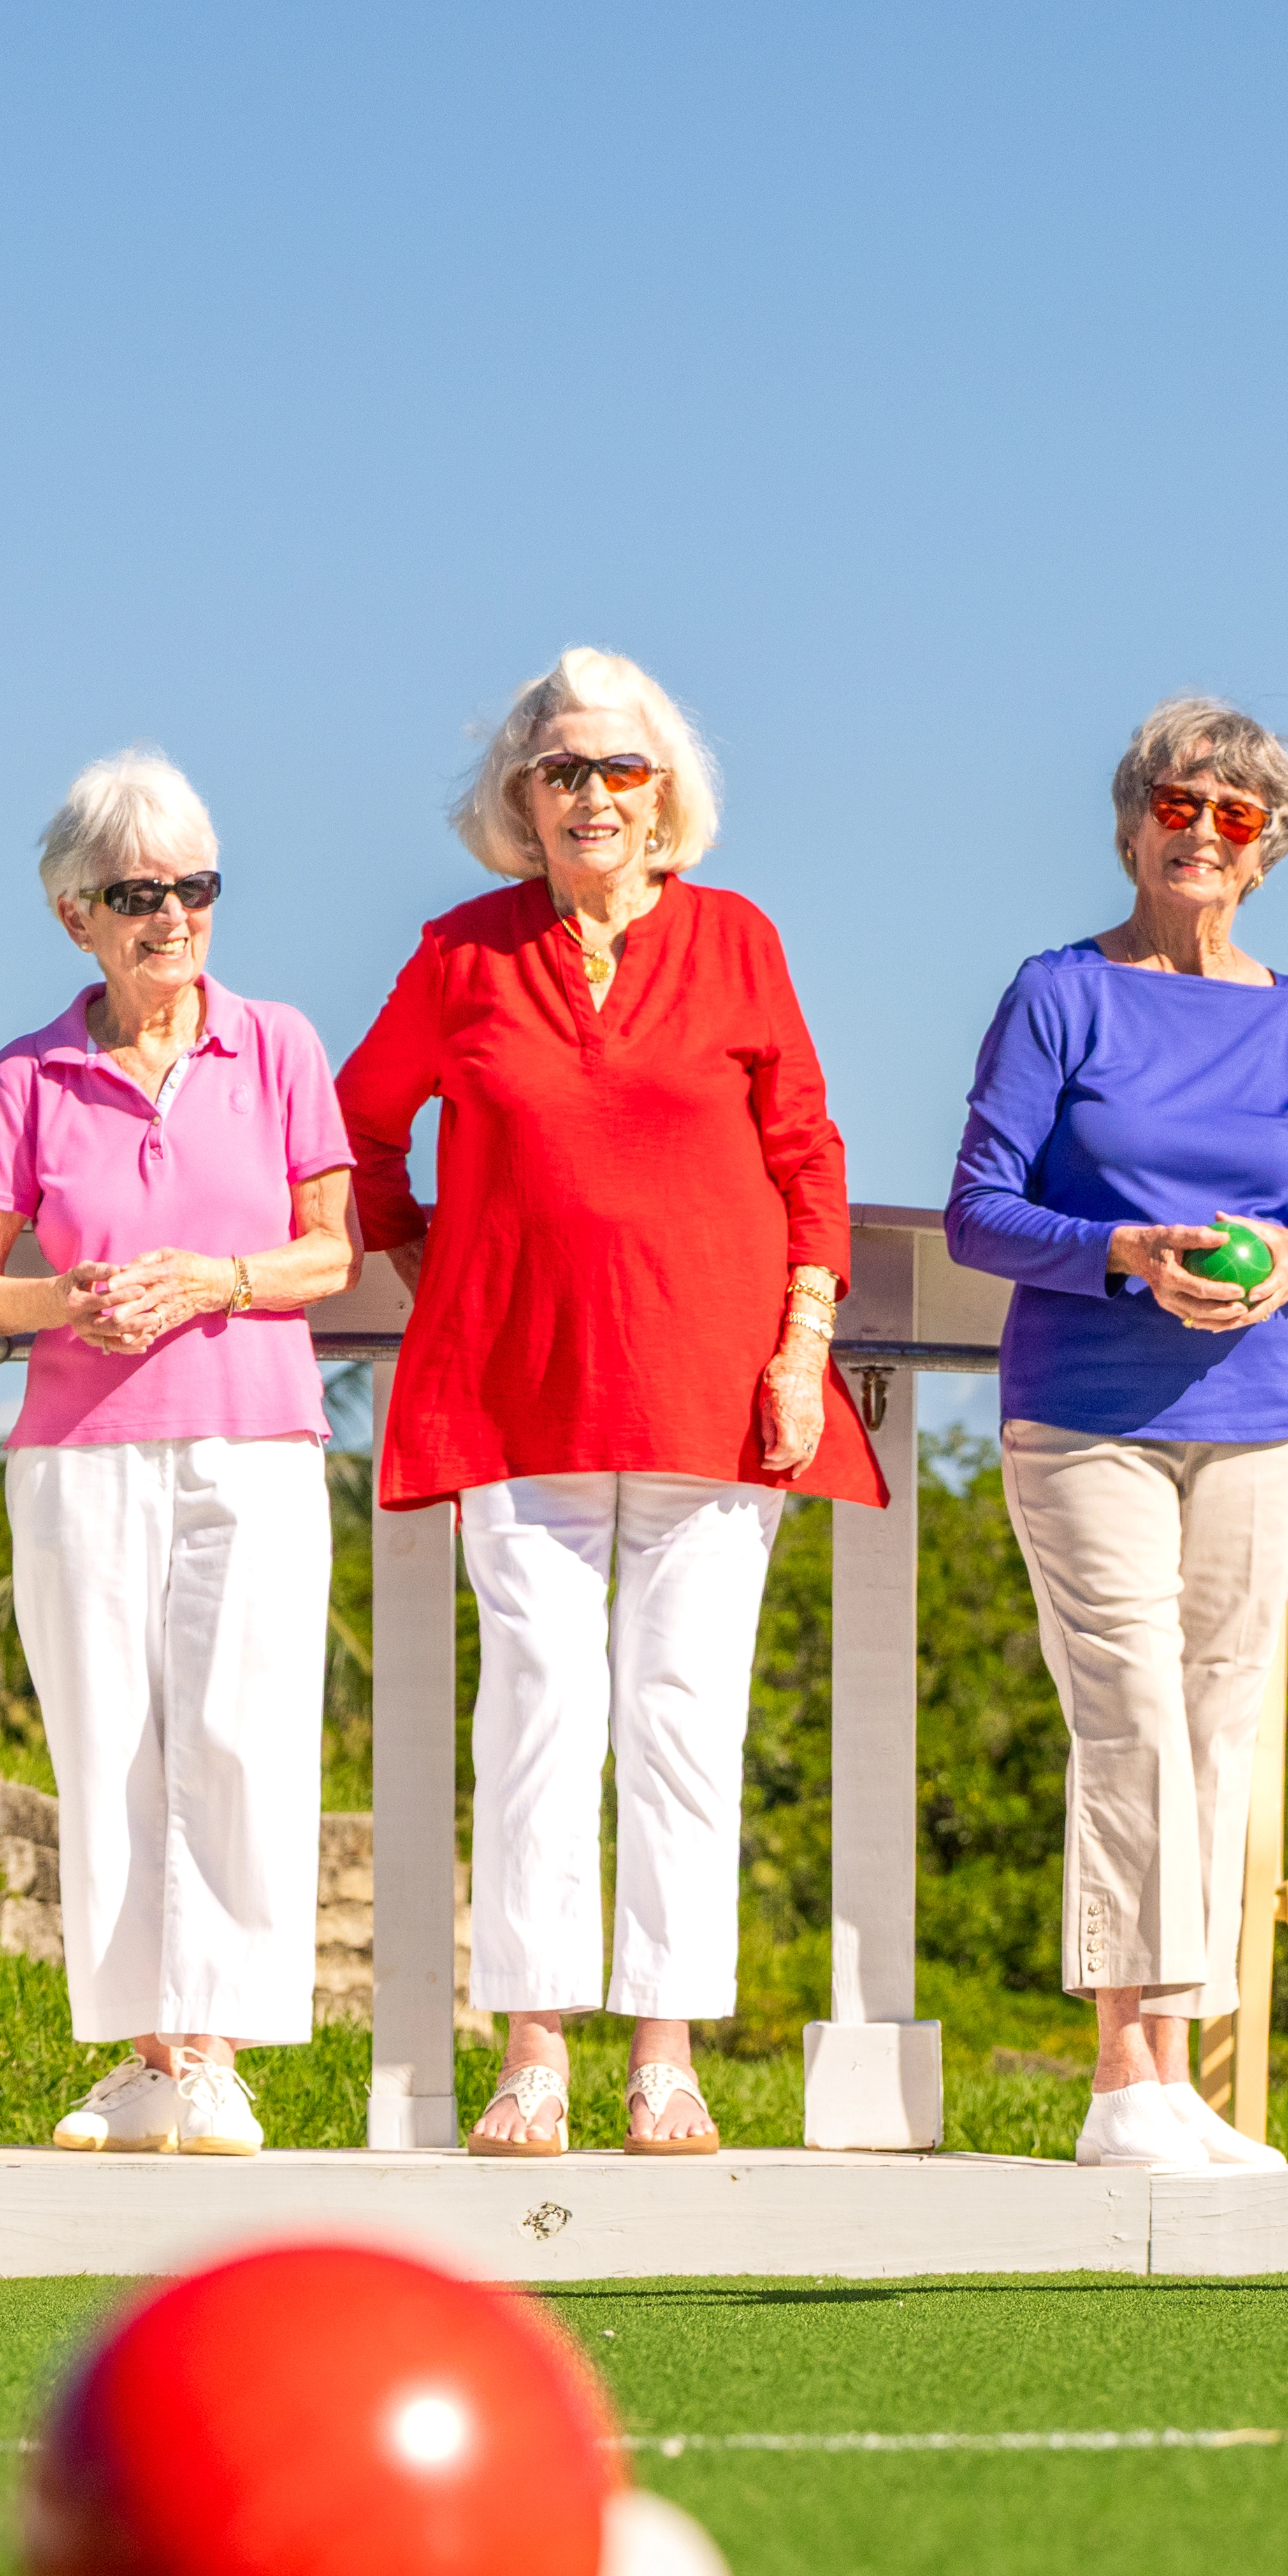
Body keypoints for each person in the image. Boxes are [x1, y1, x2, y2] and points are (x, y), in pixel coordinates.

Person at [340, 650, 886, 2159]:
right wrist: (421, 1260)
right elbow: (362, 1126)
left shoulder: (736, 939)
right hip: (516, 1396)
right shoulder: (460, 954)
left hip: (718, 1391)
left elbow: (804, 1155)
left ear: (667, 795)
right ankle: (532, 2050)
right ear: (520, 795)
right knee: (534, 1715)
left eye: (619, 769)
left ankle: (664, 2051)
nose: (592, 795)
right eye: (563, 770)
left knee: (683, 1721)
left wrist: (800, 1347)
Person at [948, 700, 1288, 2174]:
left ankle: (1177, 2080)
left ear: (1268, 853)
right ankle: (1122, 2075)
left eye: (1234, 817)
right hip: (1085, 1417)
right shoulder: (1061, 994)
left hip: (1256, 1418)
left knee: (1216, 1732)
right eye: (1176, 805)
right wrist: (1131, 1253)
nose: (1200, 831)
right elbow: (980, 1211)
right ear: (1130, 827)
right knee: (1125, 1714)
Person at [0, 748, 359, 2158]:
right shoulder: (31, 1073)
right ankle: (146, 2055)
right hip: (79, 1451)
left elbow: (327, 1251)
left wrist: (216, 1283)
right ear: (77, 916)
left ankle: (218, 2056)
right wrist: (69, 1299)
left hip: (254, 1441)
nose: (171, 918)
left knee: (240, 1740)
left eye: (194, 888)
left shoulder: (282, 1046)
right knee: (108, 1747)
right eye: (136, 894)